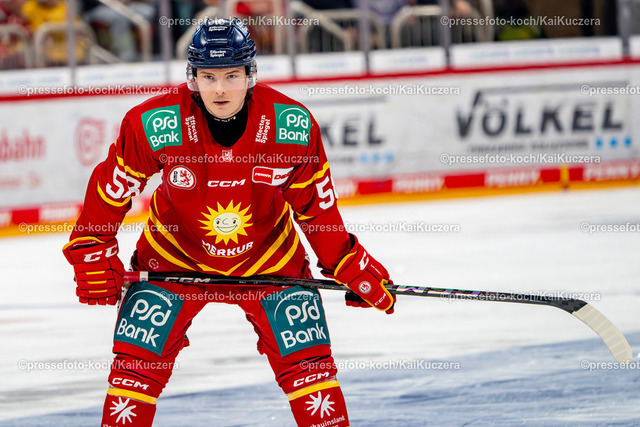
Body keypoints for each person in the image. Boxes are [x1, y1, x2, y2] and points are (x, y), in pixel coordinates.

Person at [62, 17, 395, 426]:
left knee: (311, 371)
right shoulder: (154, 122)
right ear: (193, 77)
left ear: (250, 75)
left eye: (231, 75)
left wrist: (345, 261)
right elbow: (110, 188)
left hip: (270, 260)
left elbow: (316, 206)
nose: (220, 89)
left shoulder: (291, 124)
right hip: (173, 258)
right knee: (135, 371)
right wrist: (91, 248)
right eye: (209, 76)